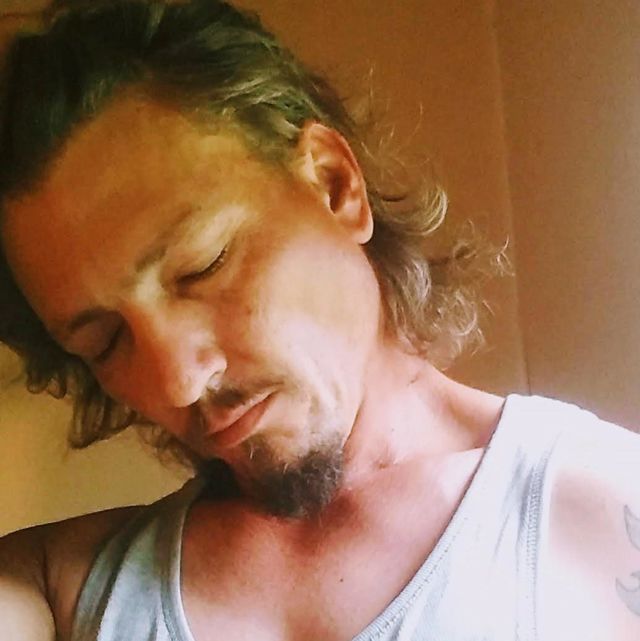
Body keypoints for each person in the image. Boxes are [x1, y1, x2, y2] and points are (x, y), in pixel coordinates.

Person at [0, 1, 639, 639]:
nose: (178, 382)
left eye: (202, 265)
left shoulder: (610, 512)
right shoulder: (55, 587)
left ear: (335, 187)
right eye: (106, 342)